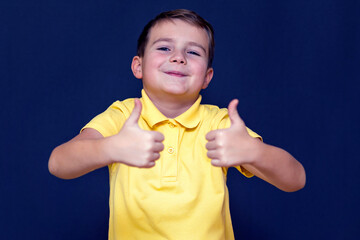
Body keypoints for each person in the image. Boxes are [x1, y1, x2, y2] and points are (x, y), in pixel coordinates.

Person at [48, 9, 306, 240]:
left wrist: (254, 151)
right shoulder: (123, 116)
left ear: (207, 77)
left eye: (193, 52)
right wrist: (110, 148)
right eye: (164, 48)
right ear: (138, 66)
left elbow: (296, 179)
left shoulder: (218, 122)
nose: (178, 57)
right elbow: (58, 163)